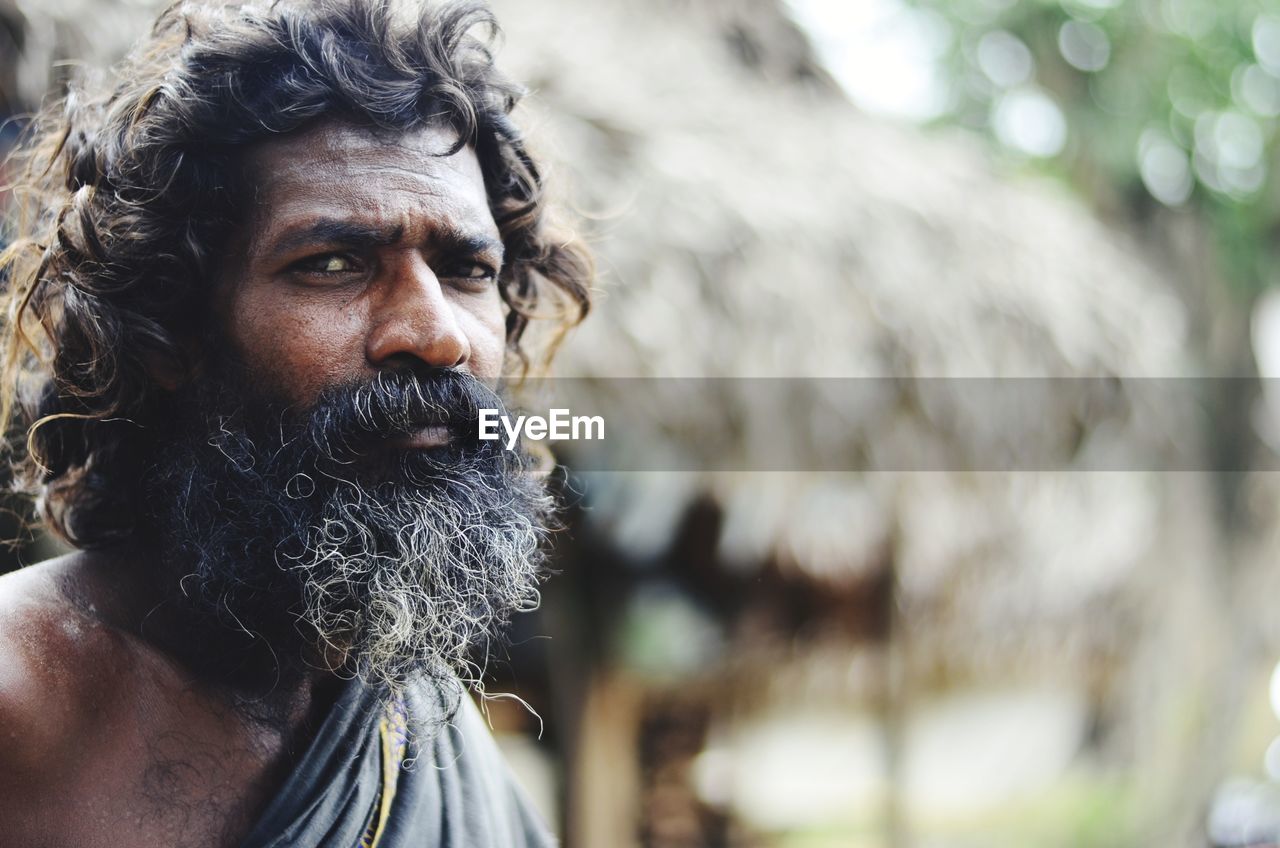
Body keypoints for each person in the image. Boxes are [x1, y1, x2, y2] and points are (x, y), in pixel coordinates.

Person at [0, 0, 591, 844]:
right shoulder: (19, 701)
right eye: (334, 263)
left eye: (465, 269)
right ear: (175, 329)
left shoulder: (422, 729)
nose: (436, 335)